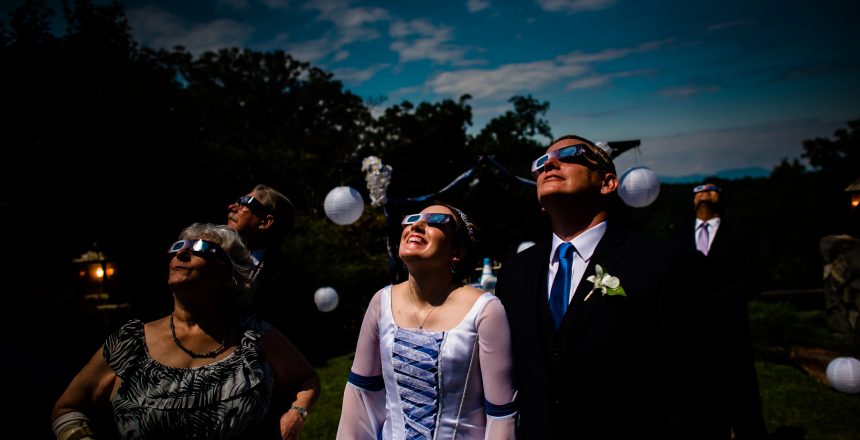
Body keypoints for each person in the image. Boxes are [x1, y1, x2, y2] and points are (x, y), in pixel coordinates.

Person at [494, 135, 703, 439]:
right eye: (541, 163)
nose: (550, 163)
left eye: (569, 154)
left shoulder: (660, 261)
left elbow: (689, 381)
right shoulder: (515, 271)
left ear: (607, 183)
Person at [51, 223, 320, 440]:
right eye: (178, 247)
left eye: (200, 248)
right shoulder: (130, 343)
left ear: (229, 274)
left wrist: (296, 414)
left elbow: (307, 379)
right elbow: (68, 409)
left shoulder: (254, 337)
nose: (181, 253)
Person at [337, 203, 517, 439]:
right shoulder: (381, 302)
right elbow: (360, 395)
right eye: (411, 219)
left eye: (436, 221)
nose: (417, 225)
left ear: (458, 251)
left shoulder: (485, 310)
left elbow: (501, 415)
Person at [669, 179, 769, 439]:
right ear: (692, 200)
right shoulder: (677, 237)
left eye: (712, 189)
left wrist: (715, 301)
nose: (705, 192)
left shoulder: (740, 234)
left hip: (731, 328)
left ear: (721, 198)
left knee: (742, 396)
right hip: (691, 332)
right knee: (702, 397)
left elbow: (754, 280)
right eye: (699, 190)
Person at [227, 184, 328, 366]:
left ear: (265, 222)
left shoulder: (289, 278)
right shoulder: (213, 260)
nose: (232, 207)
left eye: (244, 203)